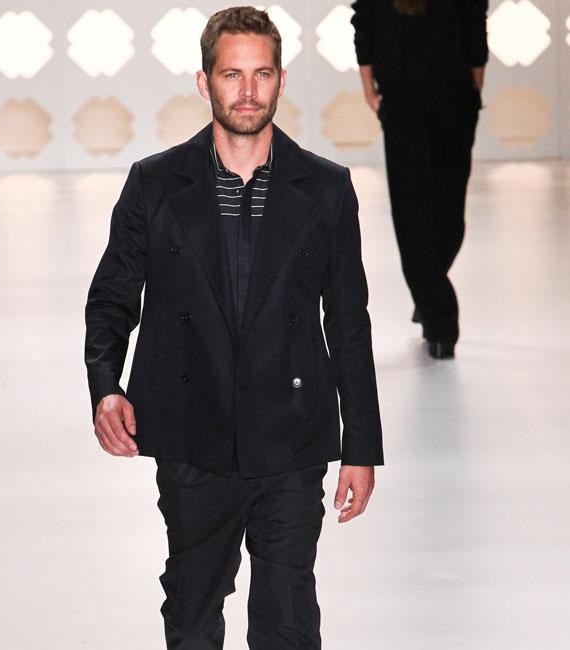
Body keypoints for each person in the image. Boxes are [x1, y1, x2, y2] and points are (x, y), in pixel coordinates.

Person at [85, 7, 383, 648]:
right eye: (231, 75)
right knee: (192, 620)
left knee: (287, 623)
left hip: (290, 438)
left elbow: (349, 322)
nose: (248, 91)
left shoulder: (326, 189)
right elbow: (112, 297)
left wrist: (360, 446)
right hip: (193, 438)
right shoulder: (154, 184)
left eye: (262, 74)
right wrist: (106, 386)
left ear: (281, 81)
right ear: (204, 82)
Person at [351, 0, 488, 358]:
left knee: (449, 215)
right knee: (413, 212)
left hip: (454, 96)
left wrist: (475, 86)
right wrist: (369, 89)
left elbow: (474, 19)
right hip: (402, 98)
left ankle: (428, 290)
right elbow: (364, 19)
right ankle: (440, 322)